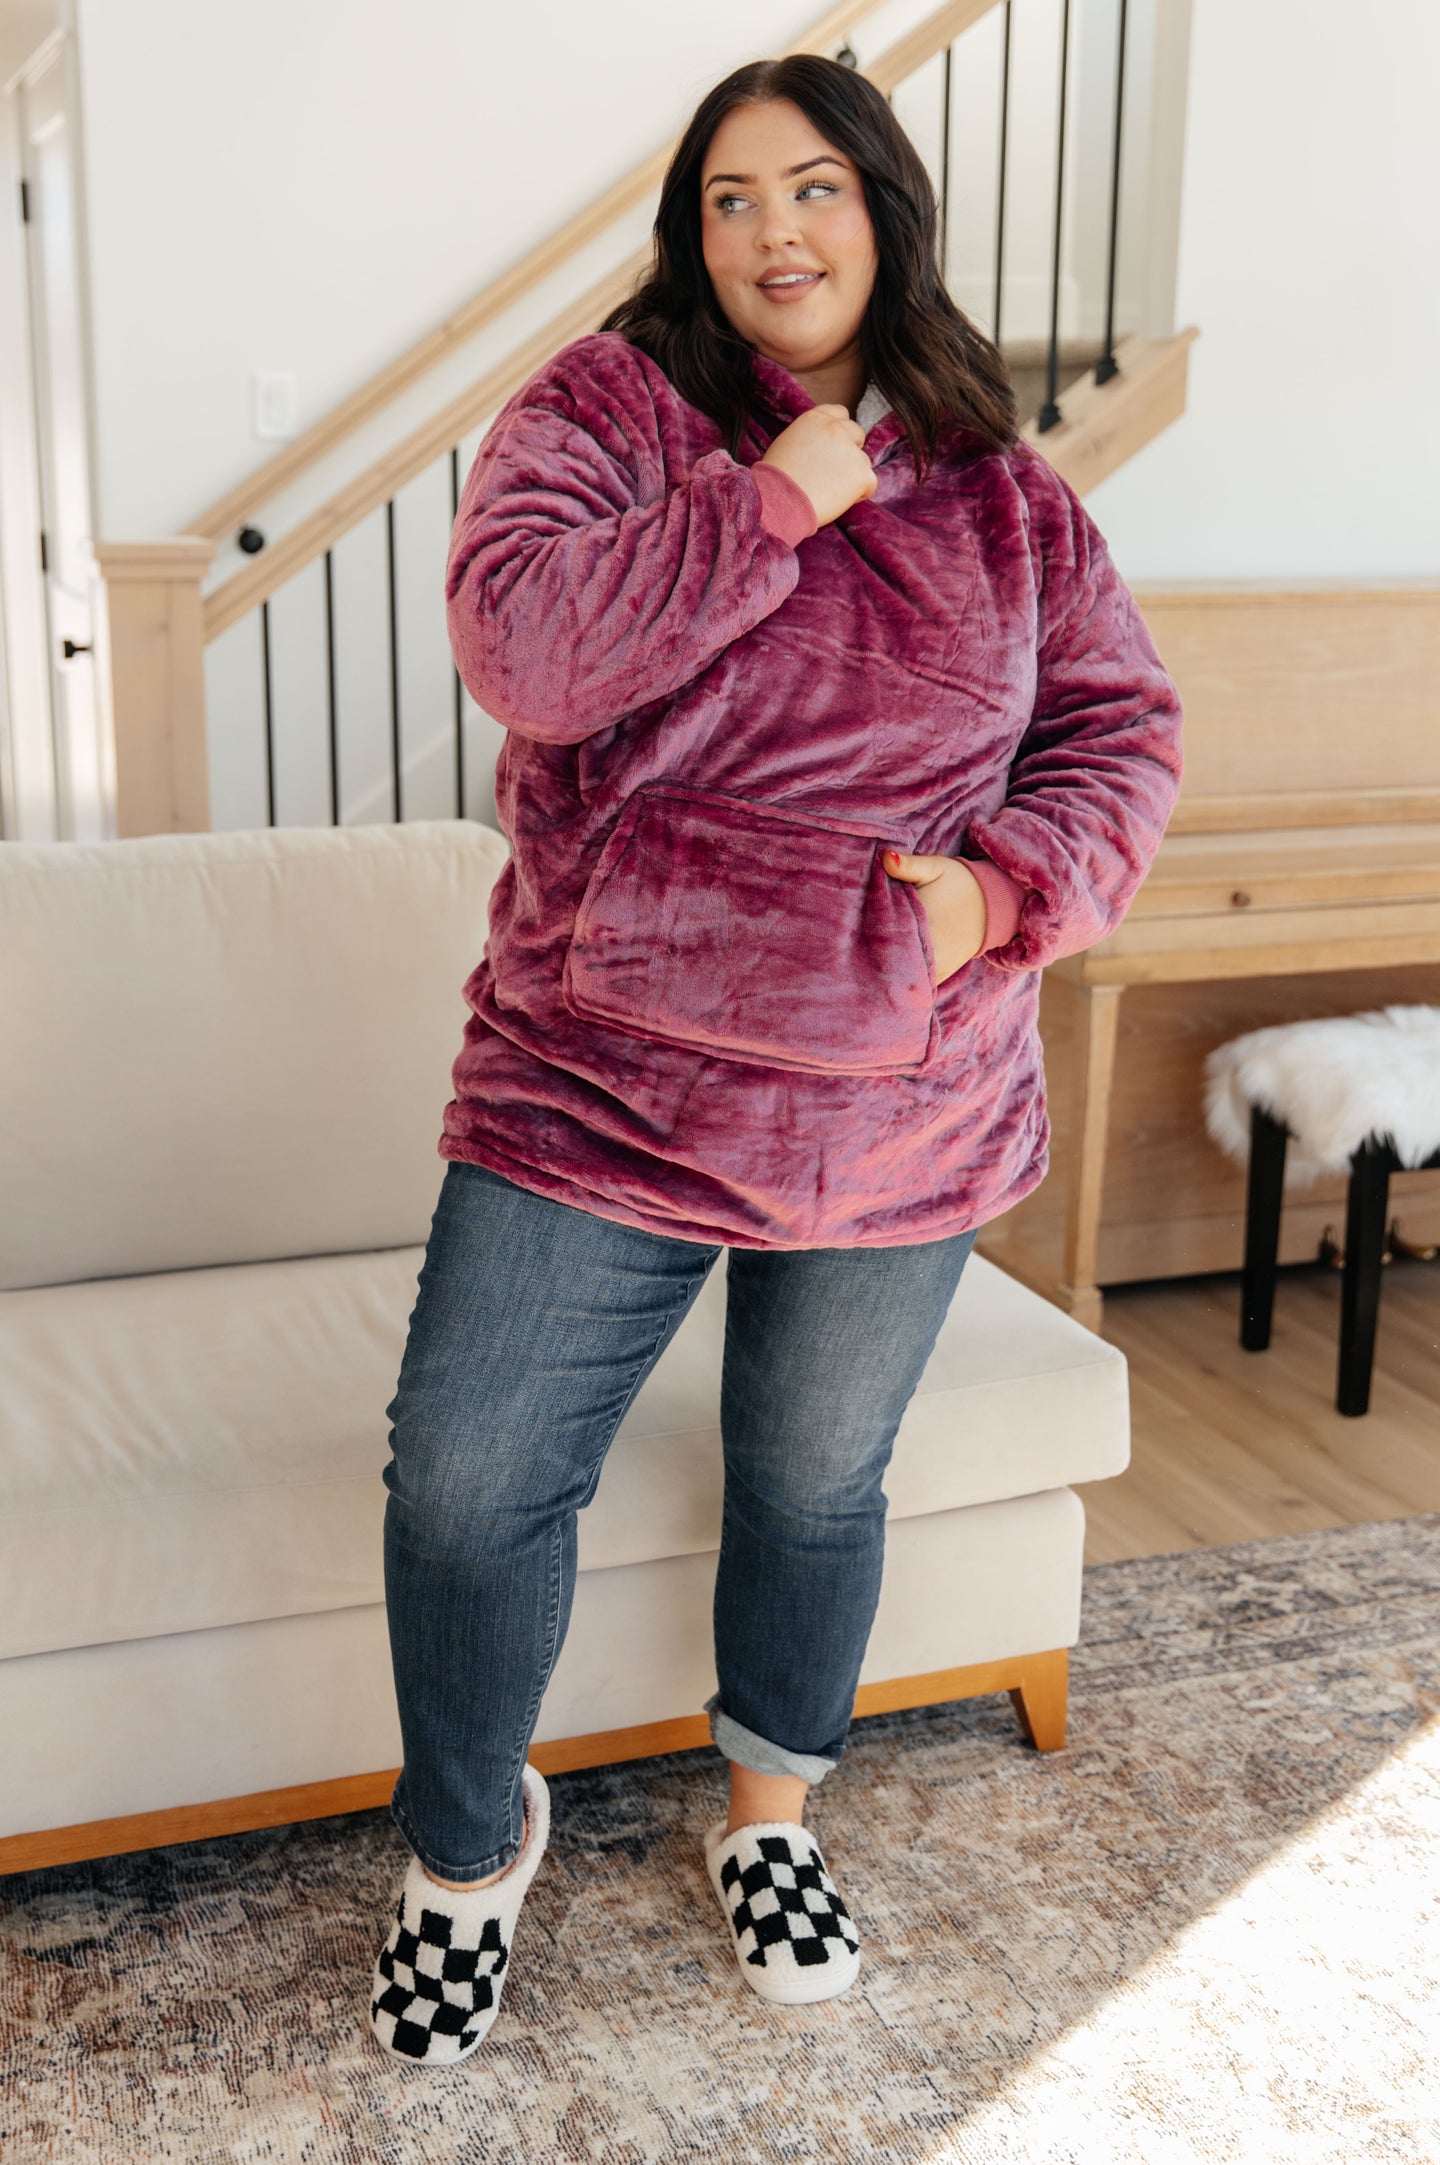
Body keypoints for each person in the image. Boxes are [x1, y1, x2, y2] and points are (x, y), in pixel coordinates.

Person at [368, 54, 1182, 2065]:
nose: (773, 237)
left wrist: (1006, 897)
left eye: (812, 191)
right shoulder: (606, 412)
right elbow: (530, 655)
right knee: (467, 1486)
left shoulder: (1006, 488)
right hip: (595, 1081)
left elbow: (1121, 735)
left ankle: (770, 1812)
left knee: (816, 1484)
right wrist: (766, 502)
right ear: (692, 233)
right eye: (730, 202)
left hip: (898, 1097)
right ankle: (469, 1852)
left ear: (885, 211)